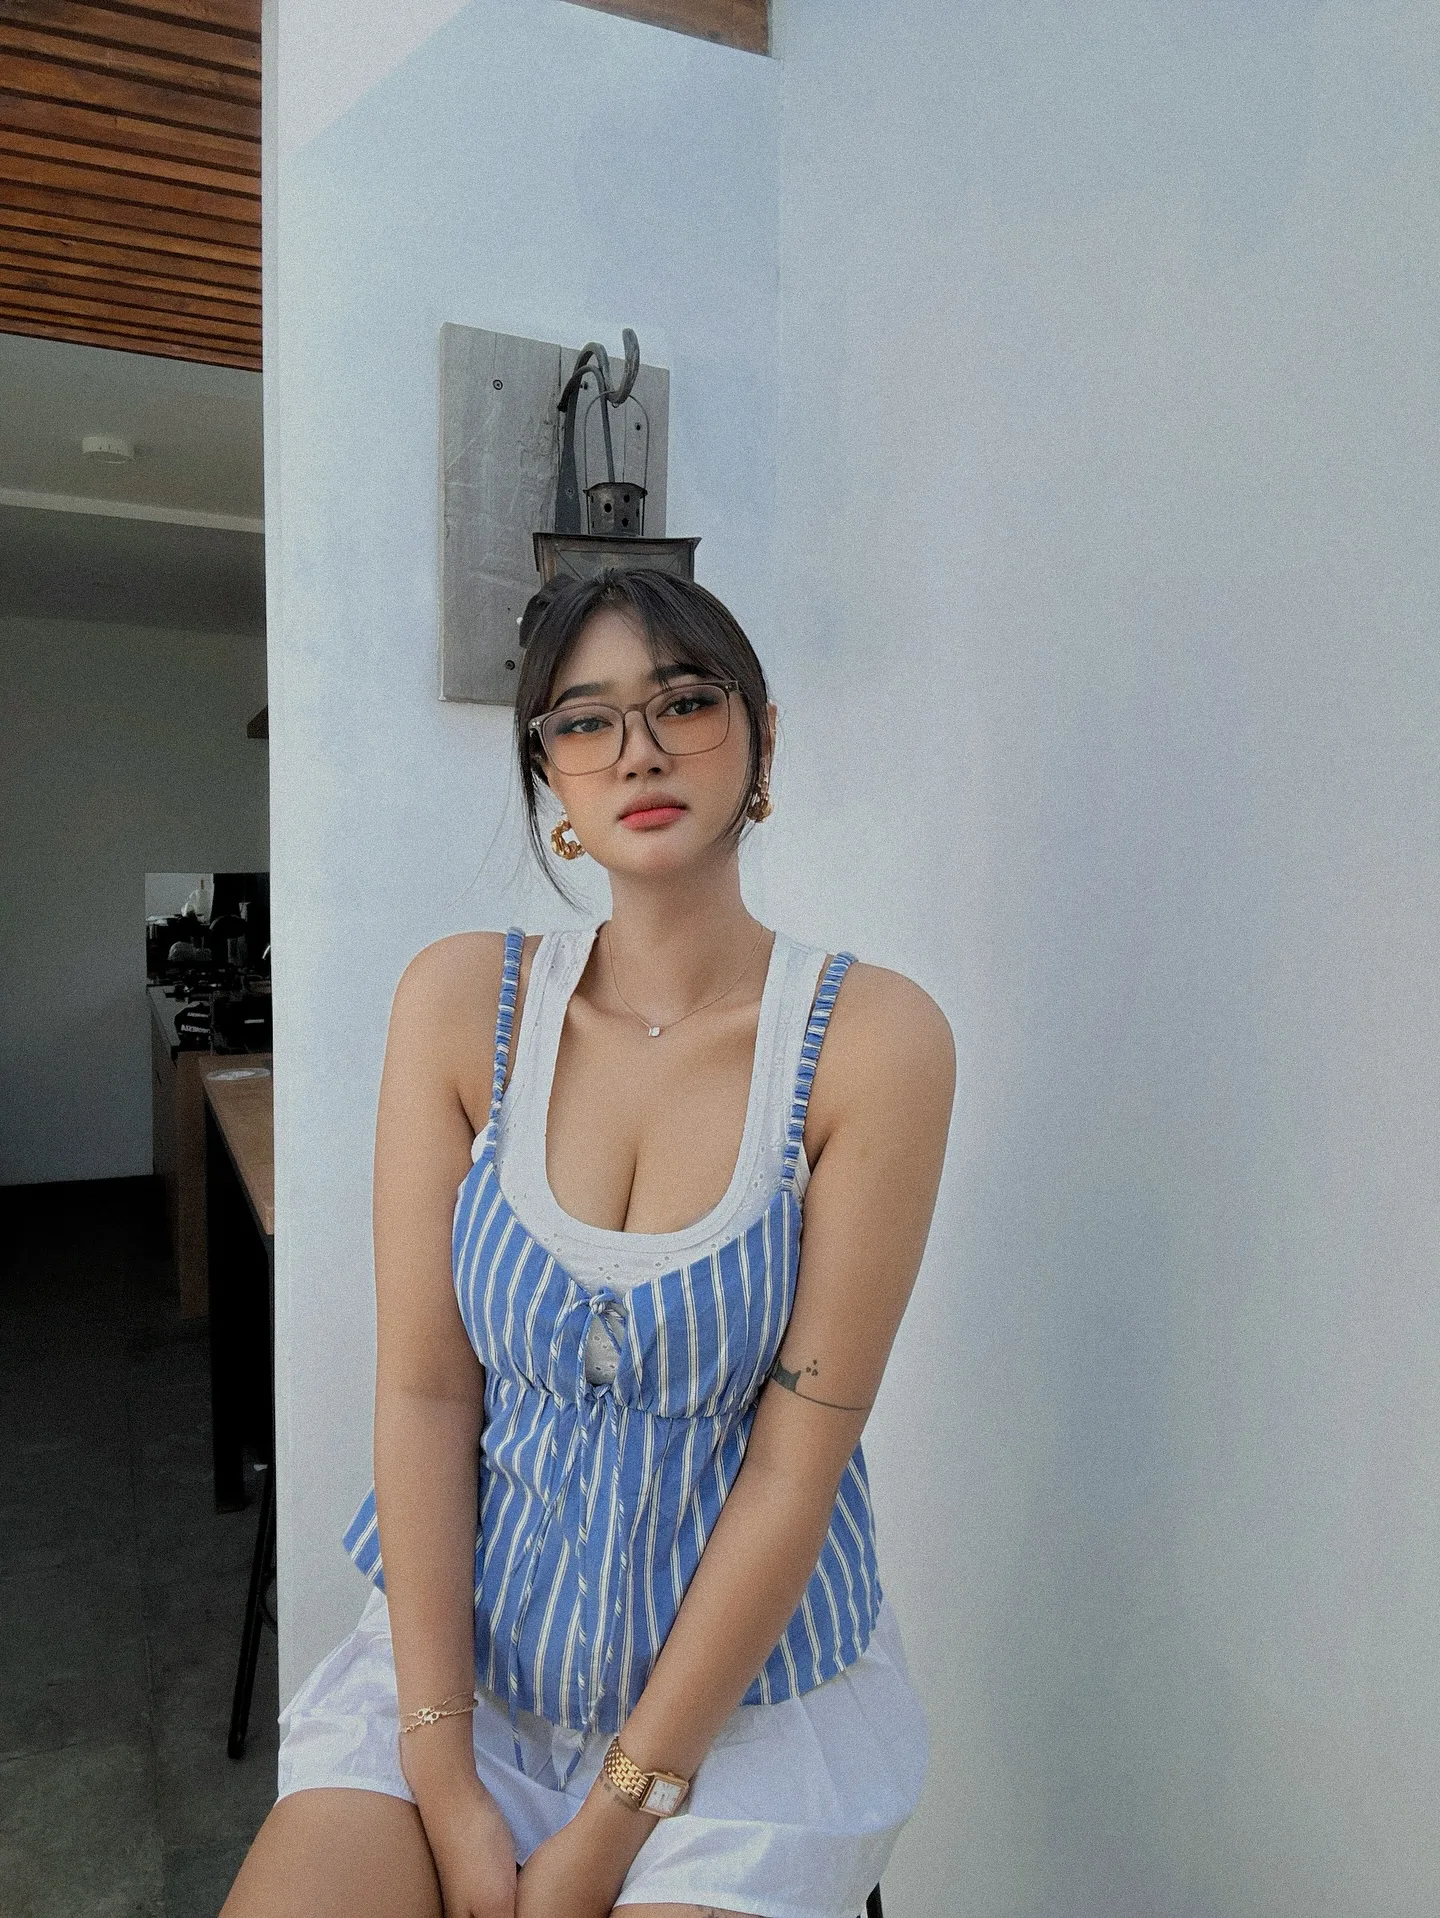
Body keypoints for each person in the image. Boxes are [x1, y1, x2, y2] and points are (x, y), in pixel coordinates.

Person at [224, 570, 955, 1918]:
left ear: (762, 738)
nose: (639, 750)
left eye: (685, 701)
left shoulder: (873, 1040)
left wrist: (615, 1820)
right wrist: (442, 1769)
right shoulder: (461, 1003)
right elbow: (426, 1394)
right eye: (586, 719)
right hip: (464, 1679)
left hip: (741, 1716)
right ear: (548, 768)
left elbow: (795, 1466)